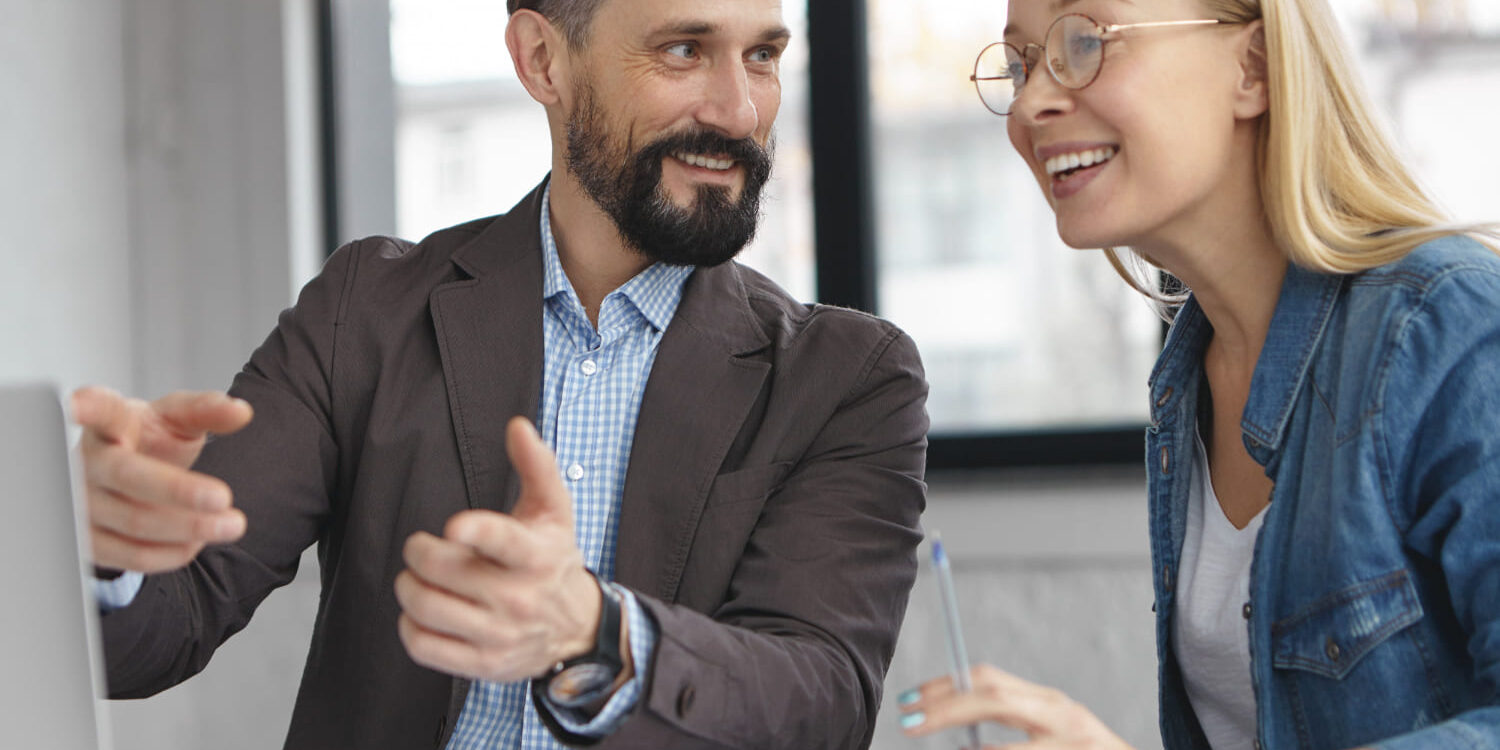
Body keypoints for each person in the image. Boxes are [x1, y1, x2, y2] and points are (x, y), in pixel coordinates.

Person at [72, 0, 930, 748]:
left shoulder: (849, 378)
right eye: (683, 50)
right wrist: (103, 550)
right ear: (543, 60)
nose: (741, 110)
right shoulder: (365, 310)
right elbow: (161, 628)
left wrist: (596, 636)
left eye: (763, 56)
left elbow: (821, 705)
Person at [897, 0, 1500, 748]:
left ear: (1253, 69)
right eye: (1020, 65)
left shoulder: (1450, 326)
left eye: (1085, 41)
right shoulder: (1188, 387)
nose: (1029, 102)